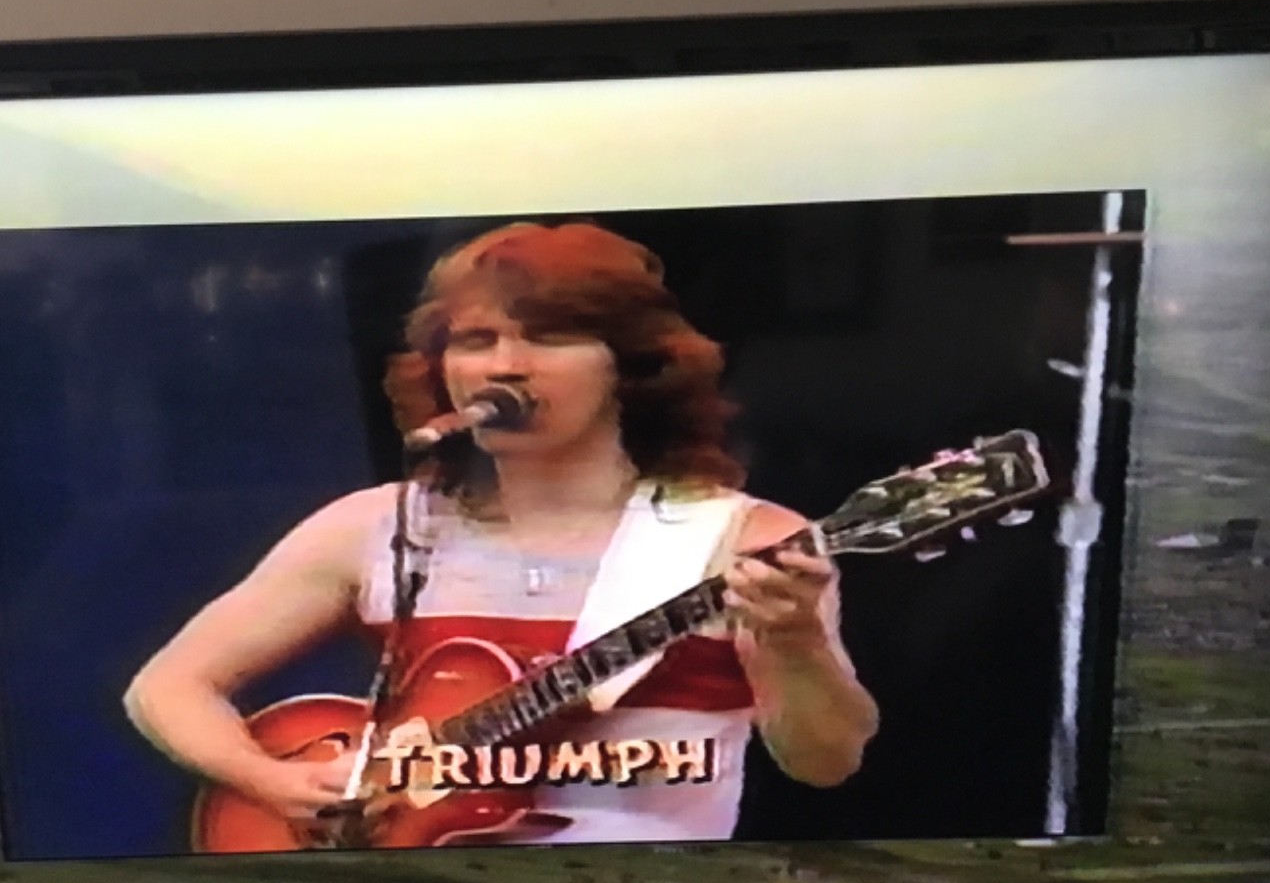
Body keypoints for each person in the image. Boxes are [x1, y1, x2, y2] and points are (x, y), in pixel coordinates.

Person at [124, 221, 877, 845]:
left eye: (548, 338)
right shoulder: (376, 526)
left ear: (632, 367)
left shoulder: (746, 538)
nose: (505, 368)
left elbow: (825, 764)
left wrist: (796, 642)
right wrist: (275, 783)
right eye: (477, 340)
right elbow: (166, 686)